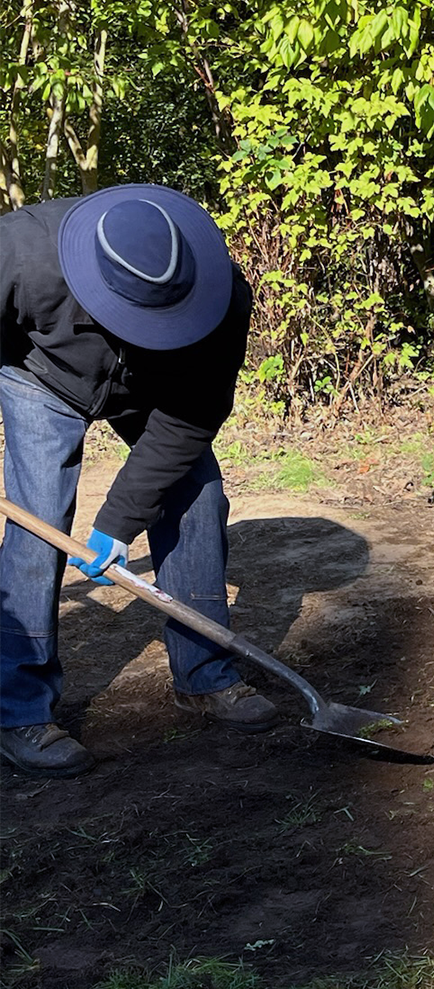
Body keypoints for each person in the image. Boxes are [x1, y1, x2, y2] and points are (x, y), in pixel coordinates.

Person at [0, 184, 279, 779]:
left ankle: (205, 675)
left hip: (156, 389)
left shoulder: (221, 297)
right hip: (43, 375)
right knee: (41, 520)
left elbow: (190, 419)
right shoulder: (20, 251)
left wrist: (117, 522)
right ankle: (19, 710)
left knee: (198, 495)